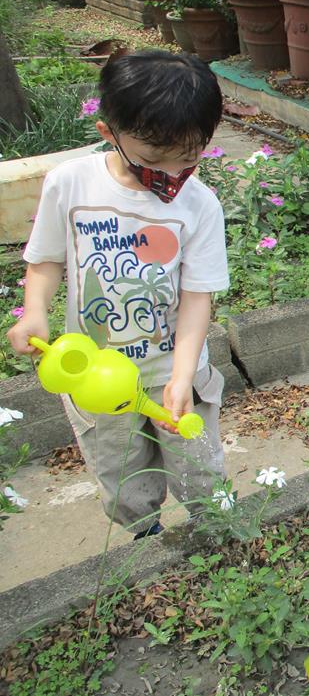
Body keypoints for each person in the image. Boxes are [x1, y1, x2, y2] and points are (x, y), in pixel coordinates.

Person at [6, 50, 230, 538]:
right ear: (108, 132)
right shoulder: (70, 184)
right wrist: (35, 311)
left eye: (188, 158)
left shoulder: (200, 206)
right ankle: (145, 541)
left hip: (173, 373)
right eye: (152, 159)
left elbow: (197, 298)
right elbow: (46, 259)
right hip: (96, 380)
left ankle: (217, 536)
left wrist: (182, 376)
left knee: (199, 470)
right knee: (122, 477)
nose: (171, 174)